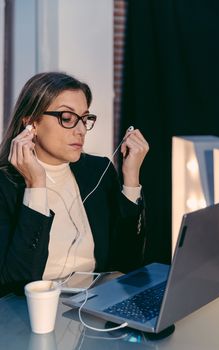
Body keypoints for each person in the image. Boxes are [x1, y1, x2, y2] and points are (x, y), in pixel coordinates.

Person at [0, 72, 149, 296]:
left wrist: (130, 178)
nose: (80, 130)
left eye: (85, 118)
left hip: (94, 308)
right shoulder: (5, 186)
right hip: (33, 317)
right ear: (31, 123)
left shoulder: (97, 171)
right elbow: (14, 285)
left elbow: (127, 264)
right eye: (67, 118)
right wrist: (35, 186)